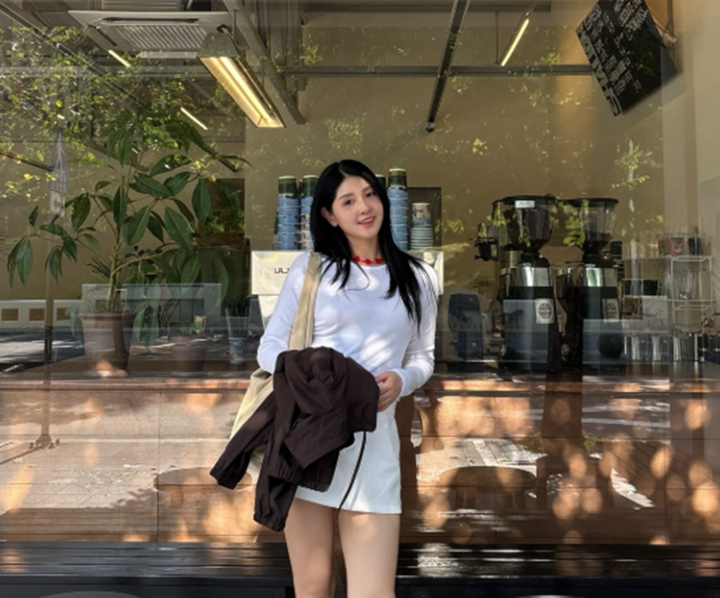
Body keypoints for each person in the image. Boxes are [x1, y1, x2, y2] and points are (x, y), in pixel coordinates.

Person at [257, 159, 438, 598]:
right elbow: (269, 348)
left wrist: (402, 379)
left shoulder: (418, 277)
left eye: (370, 194)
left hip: (374, 448)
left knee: (373, 593)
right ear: (329, 215)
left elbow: (423, 357)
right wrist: (317, 375)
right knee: (313, 588)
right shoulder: (310, 271)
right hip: (309, 444)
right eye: (349, 201)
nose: (364, 207)